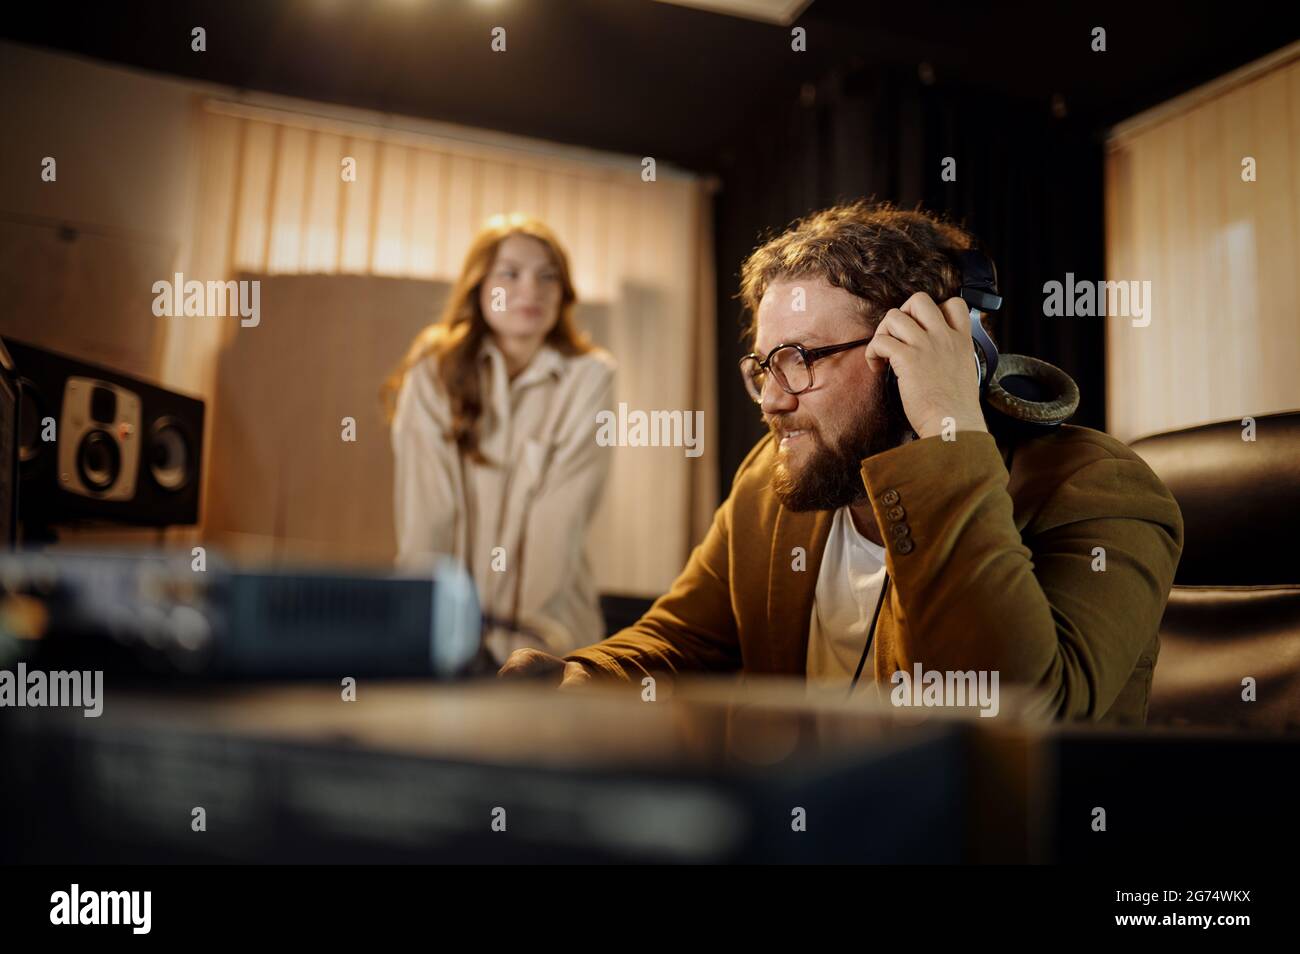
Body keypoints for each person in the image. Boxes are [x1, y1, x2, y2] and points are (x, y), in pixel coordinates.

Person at [499, 200, 1183, 724]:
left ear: (920, 349)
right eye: (763, 365)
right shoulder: (772, 482)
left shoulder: (1098, 489)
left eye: (801, 359)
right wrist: (578, 679)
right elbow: (680, 645)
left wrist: (945, 429)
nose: (771, 399)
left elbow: (1015, 713)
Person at [384, 213, 616, 664]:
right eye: (510, 273)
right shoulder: (433, 369)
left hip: (554, 640)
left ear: (563, 293)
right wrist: (429, 636)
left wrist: (522, 648)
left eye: (547, 276)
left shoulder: (591, 376)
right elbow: (427, 514)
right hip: (447, 640)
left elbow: (559, 516)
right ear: (478, 284)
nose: (531, 289)